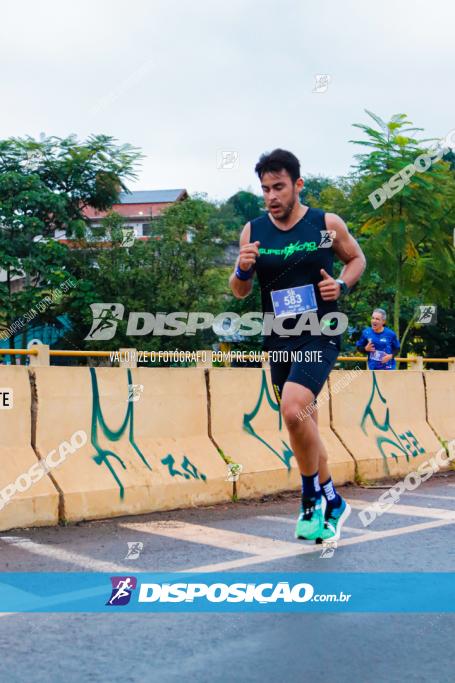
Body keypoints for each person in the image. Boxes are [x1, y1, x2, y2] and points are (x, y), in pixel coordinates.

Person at [229, 149, 366, 542]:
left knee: (292, 408)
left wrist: (341, 284)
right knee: (302, 423)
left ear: (297, 185)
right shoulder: (253, 231)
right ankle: (333, 501)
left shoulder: (325, 224)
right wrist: (242, 268)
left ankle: (309, 500)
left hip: (320, 330)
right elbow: (239, 292)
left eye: (279, 187)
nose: (271, 196)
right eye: (265, 189)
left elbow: (357, 259)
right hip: (278, 337)